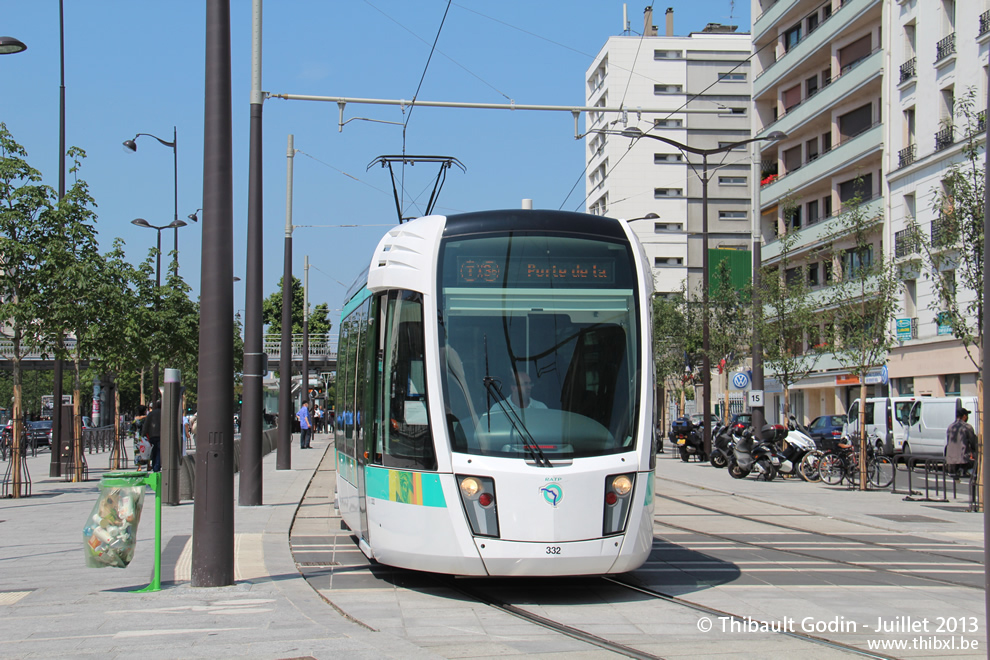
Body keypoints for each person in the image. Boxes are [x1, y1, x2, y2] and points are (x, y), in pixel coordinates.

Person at [946, 407, 976, 477]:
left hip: (950, 461)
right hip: (963, 460)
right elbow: (973, 442)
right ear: (964, 416)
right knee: (975, 464)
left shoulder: (950, 427)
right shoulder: (966, 427)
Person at [143, 400, 163, 472]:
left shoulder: (151, 414)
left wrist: (143, 434)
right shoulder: (164, 413)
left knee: (154, 451)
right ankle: (157, 466)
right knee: (159, 451)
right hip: (161, 435)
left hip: (152, 435)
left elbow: (146, 425)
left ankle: (155, 464)